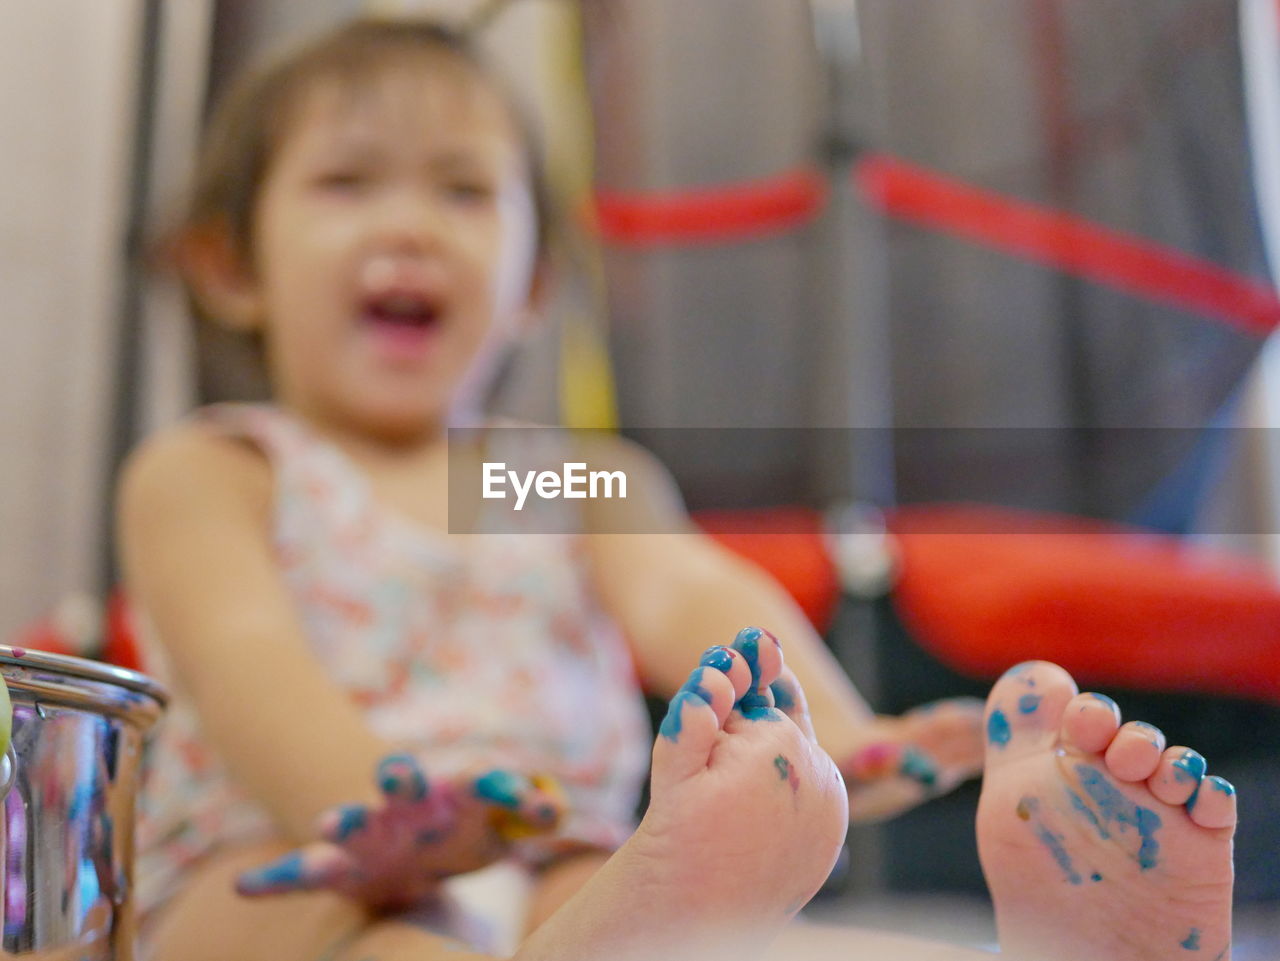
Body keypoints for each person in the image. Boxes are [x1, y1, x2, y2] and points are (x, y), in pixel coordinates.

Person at [115, 16, 1237, 961]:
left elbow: (688, 591)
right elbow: (243, 656)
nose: (408, 224)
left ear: (530, 286)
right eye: (347, 183)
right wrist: (388, 817)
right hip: (284, 861)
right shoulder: (219, 468)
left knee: (618, 908)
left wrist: (836, 732)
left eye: (461, 192)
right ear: (231, 264)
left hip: (557, 857)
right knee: (405, 937)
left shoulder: (549, 478)